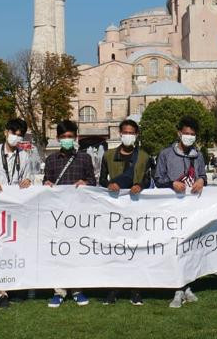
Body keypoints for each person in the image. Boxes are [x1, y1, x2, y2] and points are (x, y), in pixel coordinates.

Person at [0, 117, 37, 308]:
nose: (16, 137)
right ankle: (1, 291)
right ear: (5, 132)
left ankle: (16, 285)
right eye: (13, 133)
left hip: (16, 207)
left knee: (16, 247)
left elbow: (28, 180)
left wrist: (27, 182)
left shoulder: (24, 156)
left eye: (19, 135)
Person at [99, 119, 153, 306]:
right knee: (114, 250)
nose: (128, 135)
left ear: (136, 134)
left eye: (132, 132)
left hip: (136, 210)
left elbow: (148, 181)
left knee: (135, 250)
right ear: (120, 134)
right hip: (114, 211)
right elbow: (100, 181)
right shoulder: (108, 155)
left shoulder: (145, 157)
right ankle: (113, 289)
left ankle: (136, 290)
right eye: (125, 132)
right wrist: (109, 184)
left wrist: (139, 185)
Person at [155, 115, 207, 308]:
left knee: (189, 247)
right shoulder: (166, 154)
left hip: (191, 210)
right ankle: (177, 288)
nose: (189, 137)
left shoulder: (198, 155)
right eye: (186, 133)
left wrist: (201, 180)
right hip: (172, 209)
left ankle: (186, 286)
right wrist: (171, 184)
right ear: (179, 133)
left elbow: (202, 175)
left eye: (192, 134)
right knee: (174, 248)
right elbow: (158, 178)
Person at [43, 119, 96, 308]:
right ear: (58, 138)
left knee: (77, 251)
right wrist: (47, 185)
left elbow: (93, 182)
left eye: (70, 137)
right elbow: (45, 184)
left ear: (76, 137)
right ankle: (58, 291)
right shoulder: (51, 160)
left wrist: (86, 183)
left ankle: (77, 289)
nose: (67, 139)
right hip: (57, 215)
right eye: (64, 137)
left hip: (78, 215)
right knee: (58, 252)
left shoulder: (85, 158)